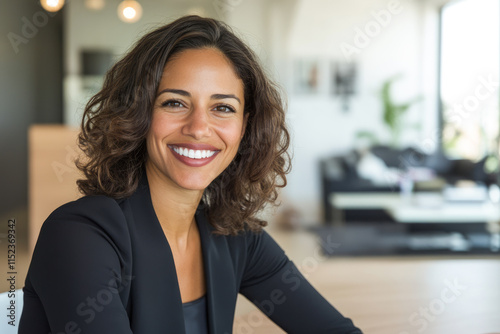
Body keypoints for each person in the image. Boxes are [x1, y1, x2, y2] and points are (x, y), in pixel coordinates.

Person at [19, 15, 362, 334]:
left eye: (223, 108)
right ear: (138, 114)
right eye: (175, 102)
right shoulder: (80, 235)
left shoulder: (234, 235)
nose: (199, 128)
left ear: (246, 128)